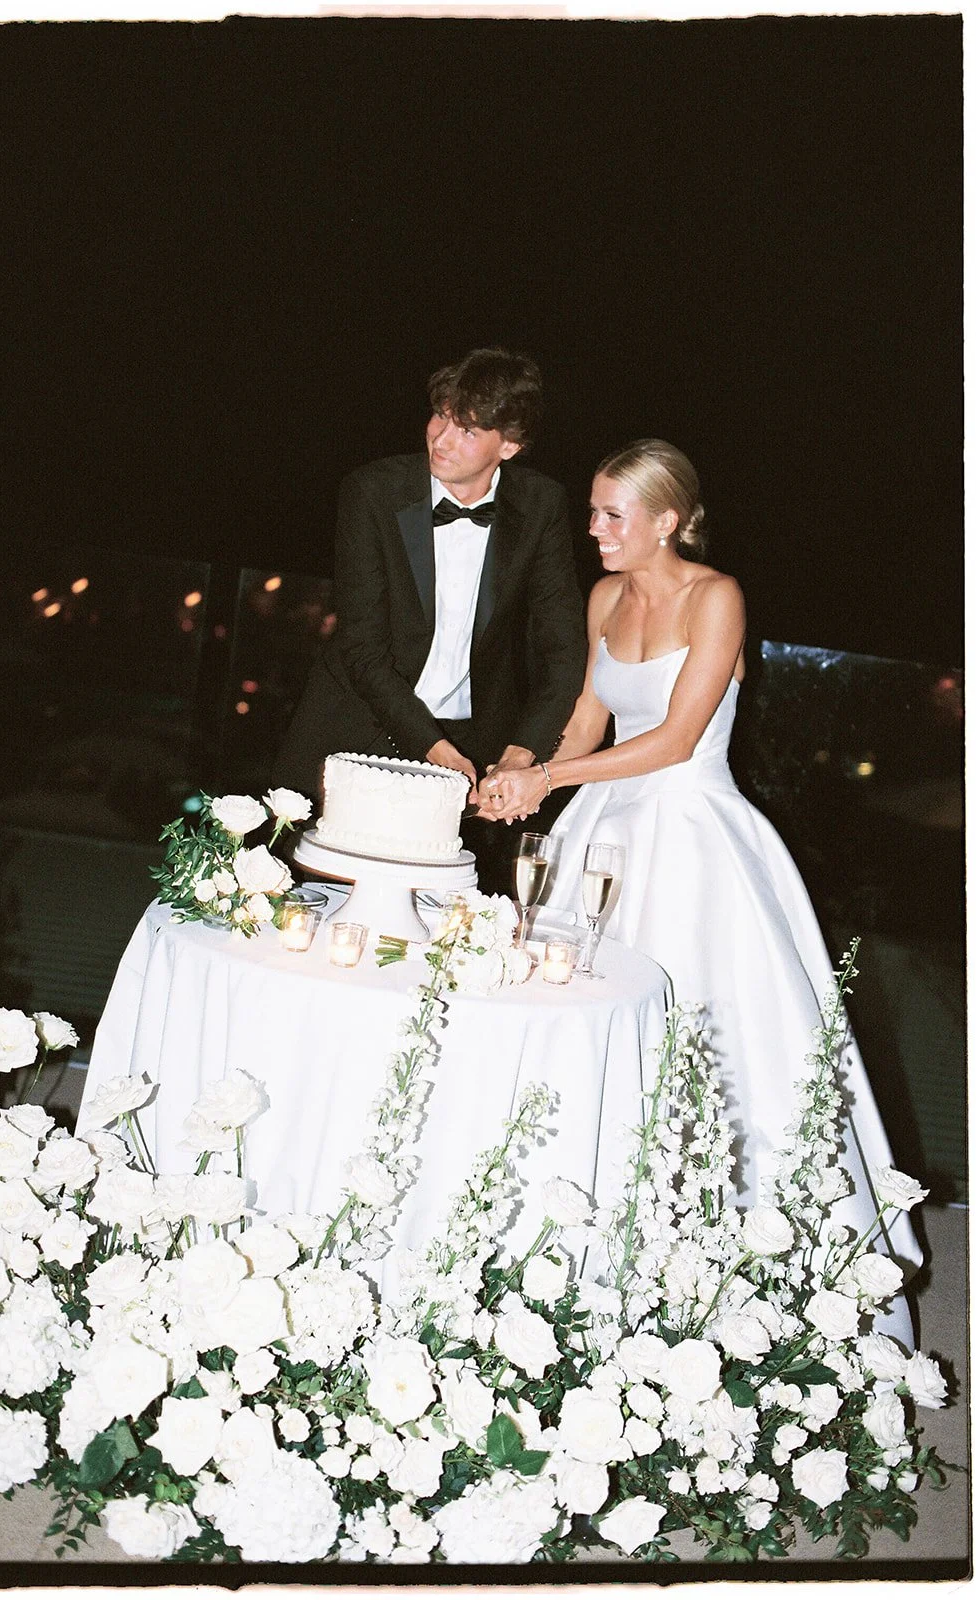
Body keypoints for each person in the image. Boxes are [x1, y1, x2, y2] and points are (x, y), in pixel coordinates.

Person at [481, 439, 919, 1301]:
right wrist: (520, 768)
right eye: (594, 512)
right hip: (601, 821)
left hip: (689, 831)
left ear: (667, 521)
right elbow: (587, 716)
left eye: (613, 515)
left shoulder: (717, 596)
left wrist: (550, 780)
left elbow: (677, 739)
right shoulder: (605, 596)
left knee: (710, 1031)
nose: (594, 529)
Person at [273, 348, 586, 885]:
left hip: (474, 750)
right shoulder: (373, 490)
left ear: (509, 445)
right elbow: (363, 649)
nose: (441, 439)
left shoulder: (541, 505)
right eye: (441, 415)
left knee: (438, 910)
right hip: (356, 728)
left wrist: (521, 753)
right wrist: (435, 749)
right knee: (307, 901)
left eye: (467, 430)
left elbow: (564, 652)